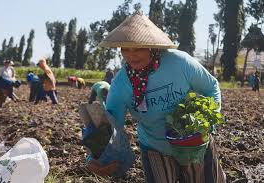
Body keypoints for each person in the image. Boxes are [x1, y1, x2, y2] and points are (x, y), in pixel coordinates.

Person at [88, 11, 226, 182]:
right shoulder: (121, 83)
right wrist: (95, 158)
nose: (131, 55)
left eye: (138, 48)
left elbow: (211, 87)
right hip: (155, 148)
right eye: (125, 49)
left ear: (152, 46)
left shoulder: (180, 63)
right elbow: (110, 126)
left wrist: (208, 125)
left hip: (194, 144)